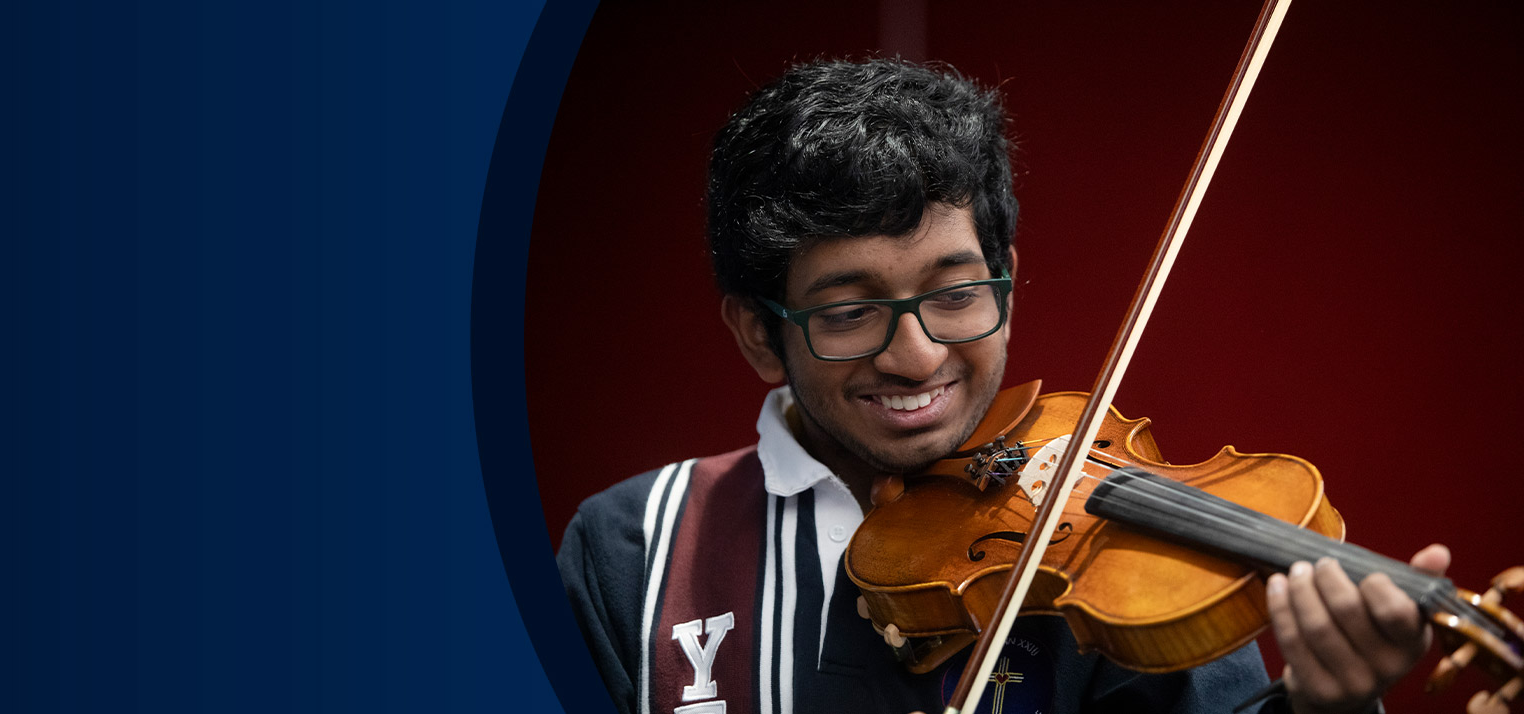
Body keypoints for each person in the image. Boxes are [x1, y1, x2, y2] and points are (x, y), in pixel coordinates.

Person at [555, 57, 1446, 714]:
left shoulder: (1109, 564)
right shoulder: (637, 549)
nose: (916, 356)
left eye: (955, 294)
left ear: (1006, 281)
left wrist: (1328, 706)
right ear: (759, 333)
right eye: (849, 311)